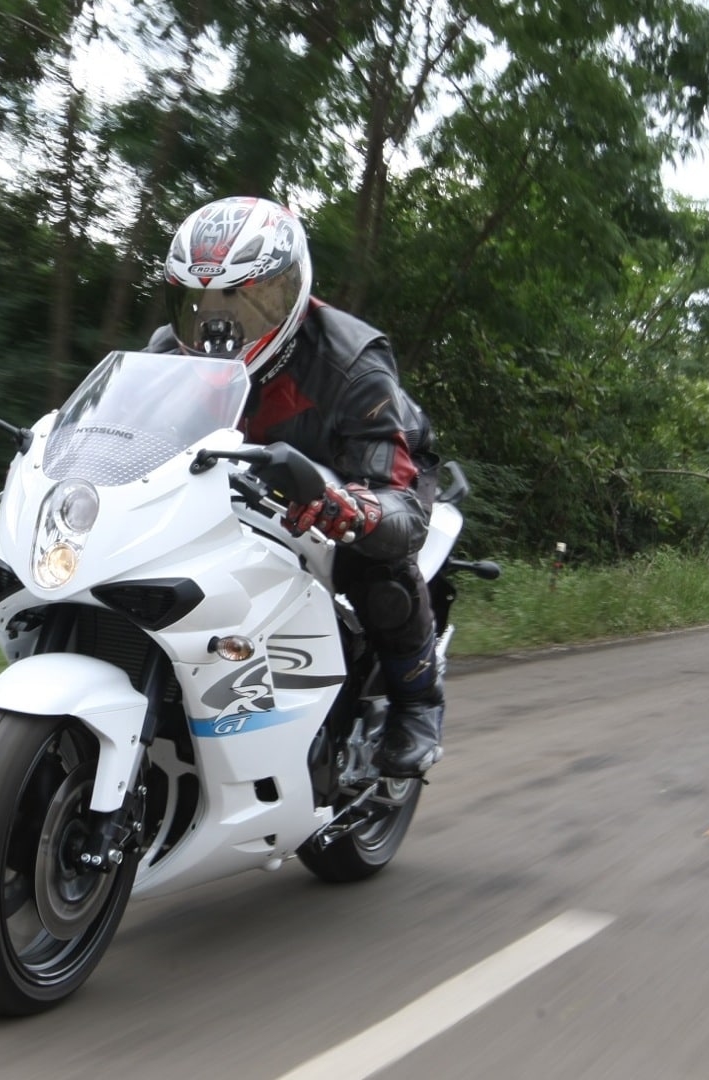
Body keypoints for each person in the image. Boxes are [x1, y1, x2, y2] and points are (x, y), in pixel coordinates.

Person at [149, 195, 444, 777]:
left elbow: (401, 502)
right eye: (201, 300)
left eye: (241, 299)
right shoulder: (168, 351)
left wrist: (357, 509)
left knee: (373, 561)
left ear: (287, 292)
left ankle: (417, 704)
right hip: (236, 475)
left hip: (360, 473)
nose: (218, 322)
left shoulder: (353, 364)